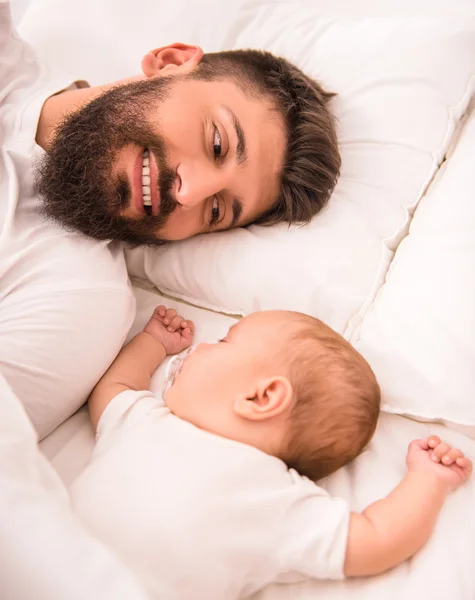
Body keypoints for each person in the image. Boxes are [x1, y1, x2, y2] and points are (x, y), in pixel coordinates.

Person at [0, 0, 340, 439]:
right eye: (217, 143)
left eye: (216, 211)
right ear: (171, 62)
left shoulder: (77, 298)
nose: (187, 192)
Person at [70, 306, 472, 599]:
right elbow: (115, 389)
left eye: (224, 341)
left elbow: (376, 540)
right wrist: (152, 343)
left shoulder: (278, 497)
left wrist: (427, 481)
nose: (204, 344)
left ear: (261, 397)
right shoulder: (149, 419)